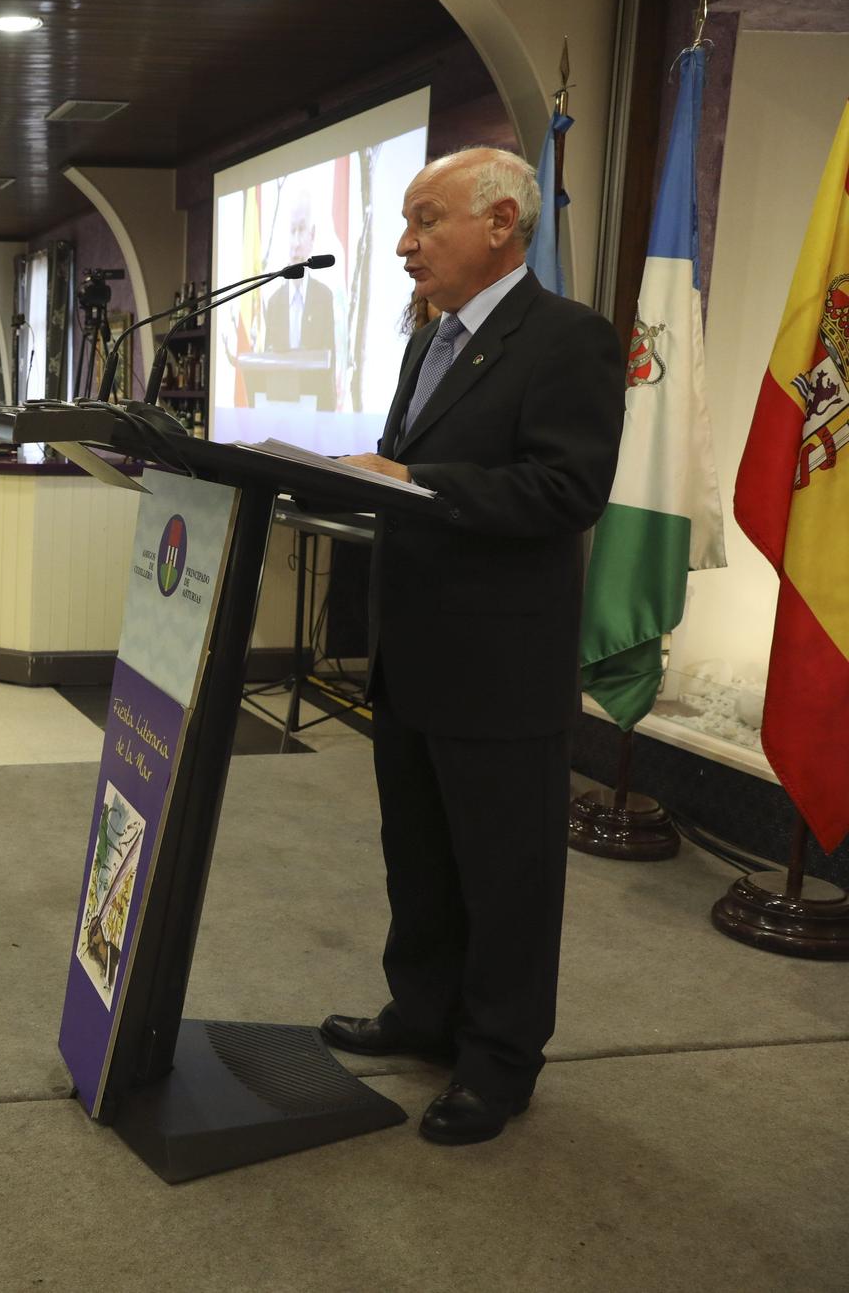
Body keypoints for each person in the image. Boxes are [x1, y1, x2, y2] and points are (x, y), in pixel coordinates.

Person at [330, 148, 625, 1146]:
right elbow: (405, 467)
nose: (404, 246)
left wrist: (413, 484)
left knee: (502, 873)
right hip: (410, 649)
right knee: (415, 854)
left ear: (499, 224)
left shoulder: (568, 341)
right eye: (405, 225)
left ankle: (497, 1060)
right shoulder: (426, 342)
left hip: (498, 666)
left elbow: (565, 490)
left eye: (425, 221)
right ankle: (421, 1015)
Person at [261, 190, 339, 410]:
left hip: (316, 410)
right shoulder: (274, 301)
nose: (295, 242)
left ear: (312, 235)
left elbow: (328, 362)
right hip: (278, 407)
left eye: (301, 230)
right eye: (291, 231)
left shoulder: (324, 297)